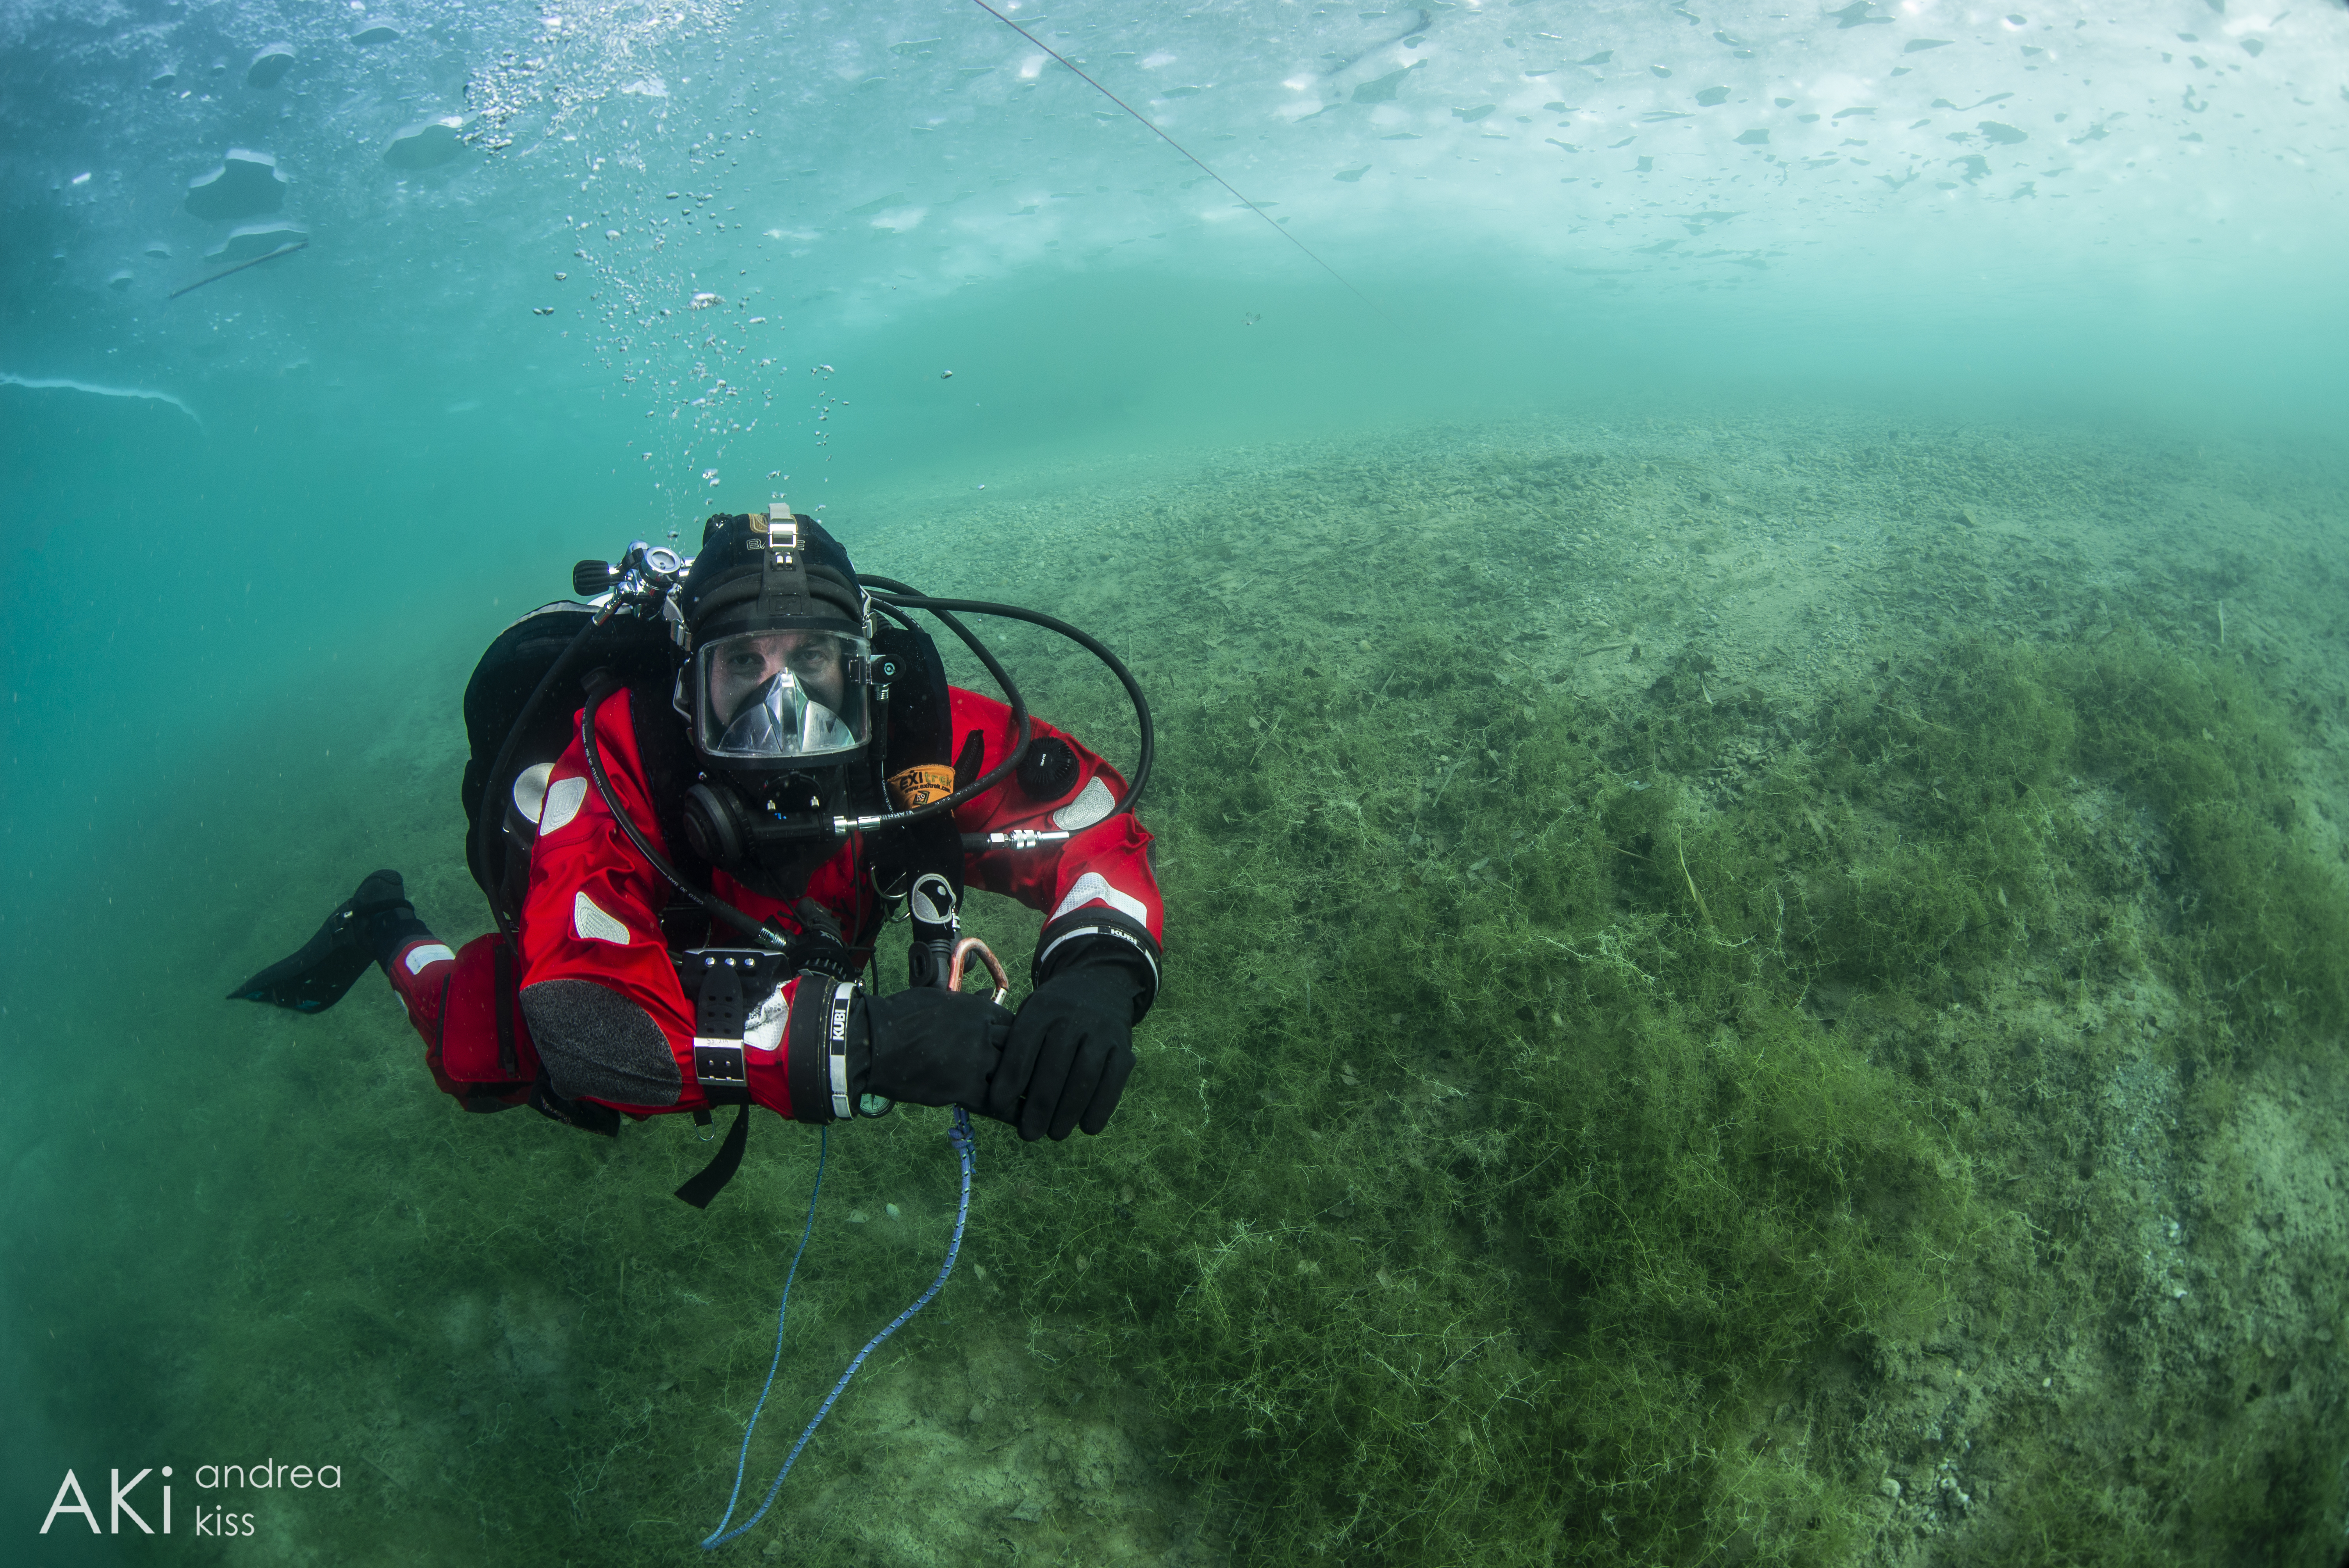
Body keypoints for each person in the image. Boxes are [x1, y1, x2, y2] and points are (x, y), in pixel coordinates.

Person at [233, 509, 1163, 1188]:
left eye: (814, 666)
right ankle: (387, 922)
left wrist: (1097, 969)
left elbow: (1085, 815)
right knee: (477, 1049)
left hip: (762, 989)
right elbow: (583, 1020)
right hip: (645, 971)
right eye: (743, 669)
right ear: (689, 687)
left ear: (863, 671)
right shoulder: (613, 762)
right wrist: (859, 1046)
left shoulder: (906, 738)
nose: (783, 712)